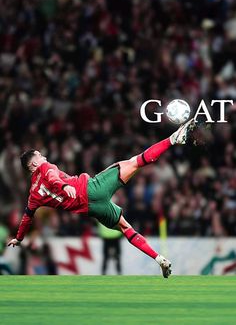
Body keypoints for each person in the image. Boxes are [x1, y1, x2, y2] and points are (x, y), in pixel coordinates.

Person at [8, 119, 196, 278]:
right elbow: (53, 177)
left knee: (125, 228)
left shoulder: (33, 194)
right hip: (93, 189)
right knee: (134, 162)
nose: (44, 156)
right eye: (40, 156)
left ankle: (159, 259)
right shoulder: (44, 167)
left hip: (92, 209)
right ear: (33, 164)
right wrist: (65, 186)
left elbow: (27, 217)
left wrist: (18, 238)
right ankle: (173, 139)